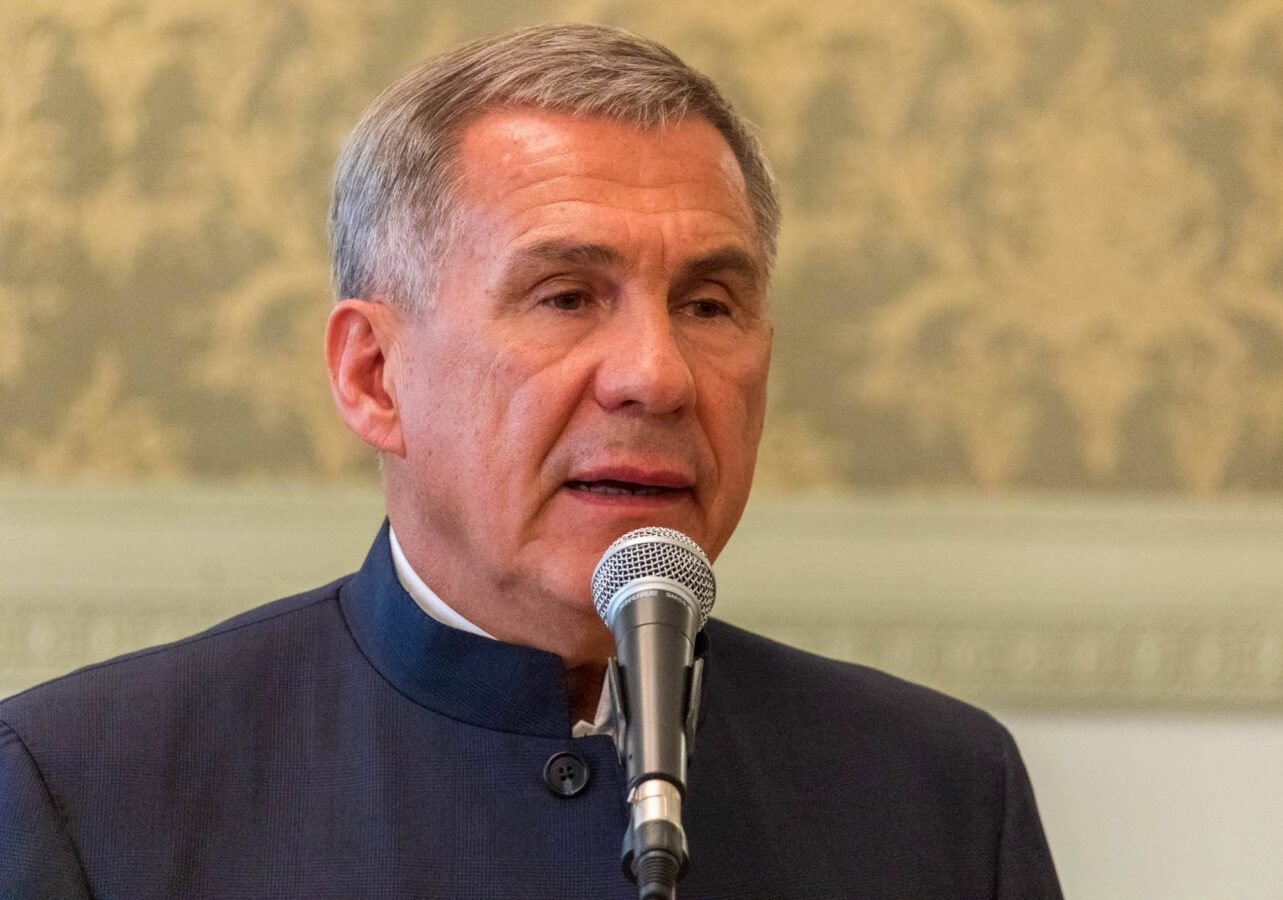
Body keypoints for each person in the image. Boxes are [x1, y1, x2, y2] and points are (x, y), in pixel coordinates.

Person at [0, 23, 1061, 899]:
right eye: (565, 297)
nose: (657, 376)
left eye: (707, 305)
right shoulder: (88, 790)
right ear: (374, 376)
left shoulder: (940, 795)